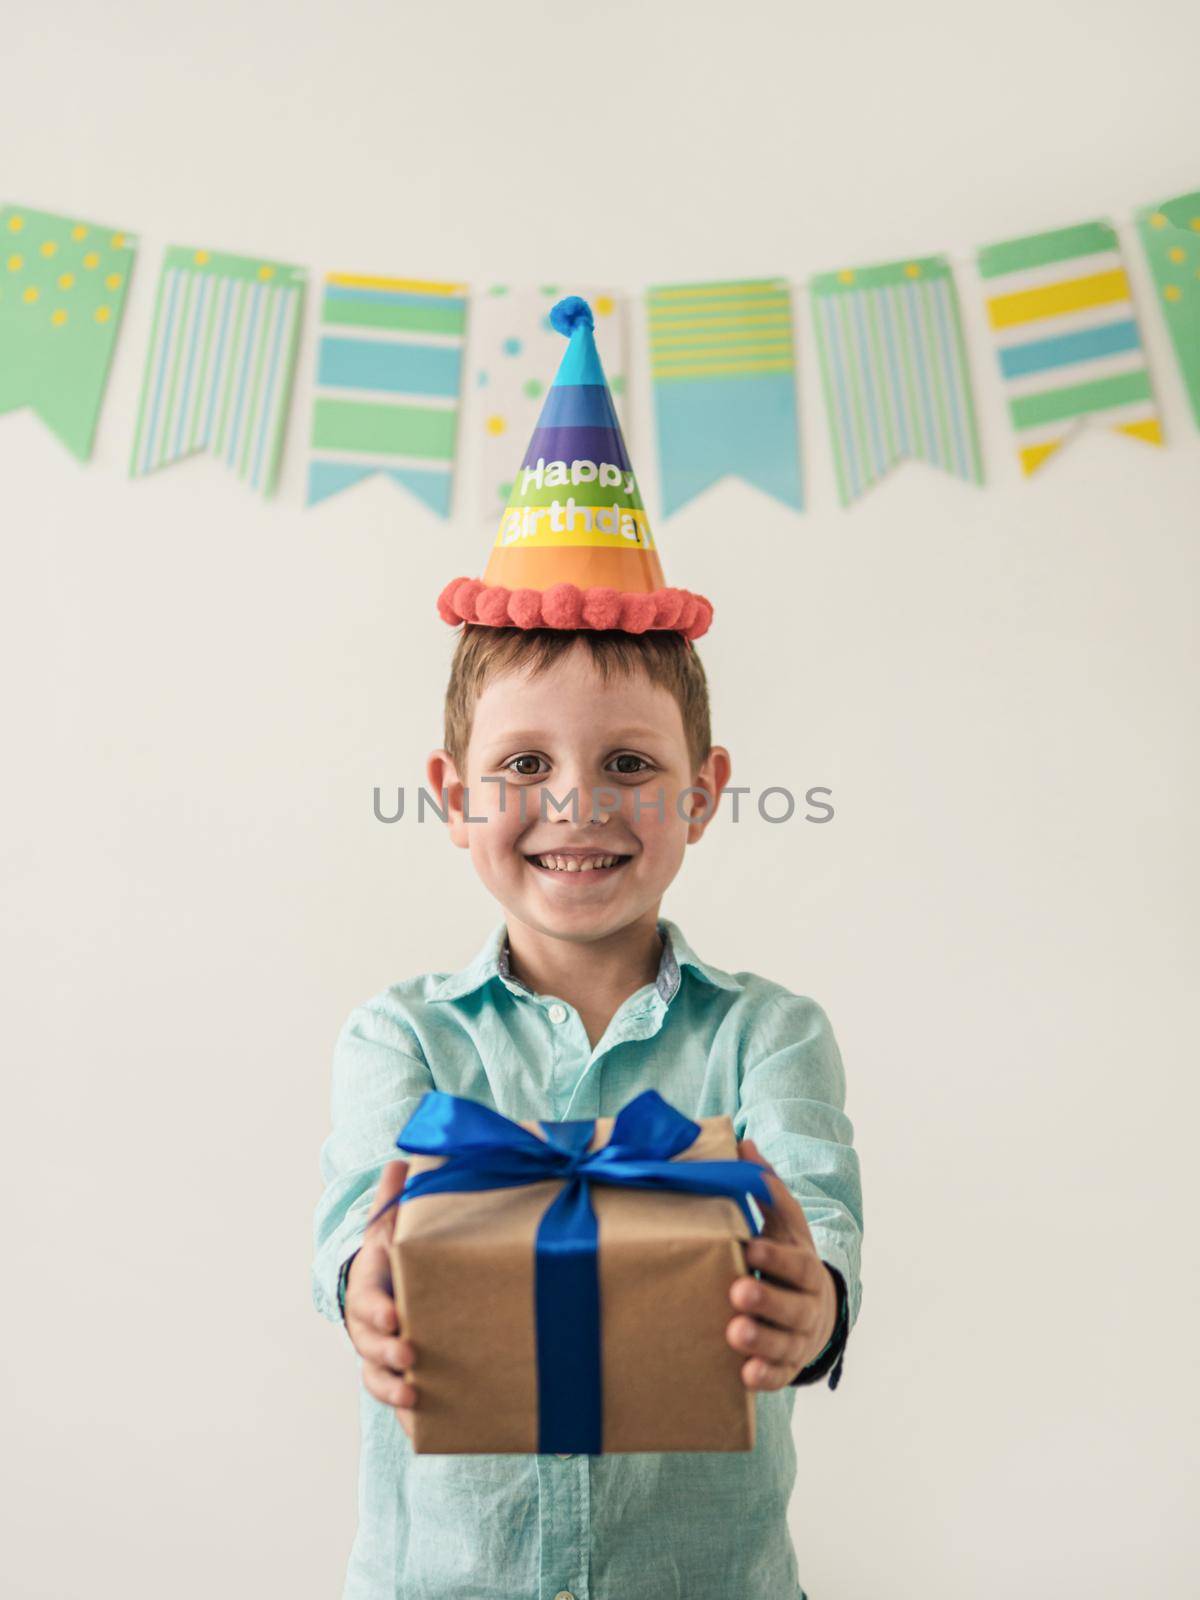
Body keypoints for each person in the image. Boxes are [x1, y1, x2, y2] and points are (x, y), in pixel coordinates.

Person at [311, 297, 864, 1600]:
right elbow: (350, 1239)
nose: (576, 805)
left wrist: (814, 1299)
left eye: (629, 764)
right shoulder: (401, 1037)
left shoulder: (768, 1036)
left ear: (703, 791)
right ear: (452, 796)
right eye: (523, 765)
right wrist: (367, 1297)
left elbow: (819, 1219)